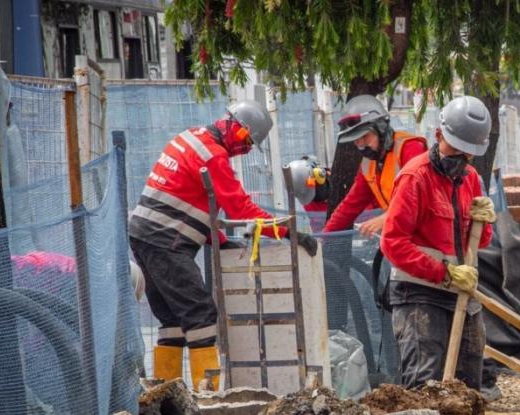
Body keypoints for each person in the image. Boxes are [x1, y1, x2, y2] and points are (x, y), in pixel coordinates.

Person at [129, 100, 315, 391]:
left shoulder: (190, 137)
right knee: (200, 315)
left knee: (172, 319)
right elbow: (240, 208)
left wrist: (222, 241)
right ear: (238, 129)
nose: (246, 149)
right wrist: (286, 231)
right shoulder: (213, 156)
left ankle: (163, 398)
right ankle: (209, 399)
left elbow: (188, 199)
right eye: (247, 142)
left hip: (144, 234)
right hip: (166, 241)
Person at [381, 96, 496, 390]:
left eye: (467, 153)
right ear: (439, 135)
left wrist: (484, 223)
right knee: (424, 383)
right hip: (419, 294)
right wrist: (443, 272)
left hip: (461, 293)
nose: (460, 158)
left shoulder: (470, 179)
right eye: (455, 149)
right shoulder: (415, 177)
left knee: (468, 383)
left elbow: (477, 243)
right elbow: (393, 243)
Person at [322, 95, 428, 236]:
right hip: (404, 235)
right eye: (356, 140)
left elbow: (421, 197)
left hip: (428, 235)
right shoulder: (369, 163)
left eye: (365, 136)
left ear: (381, 129)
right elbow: (350, 205)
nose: (360, 145)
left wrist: (386, 218)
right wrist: (323, 237)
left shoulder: (410, 148)